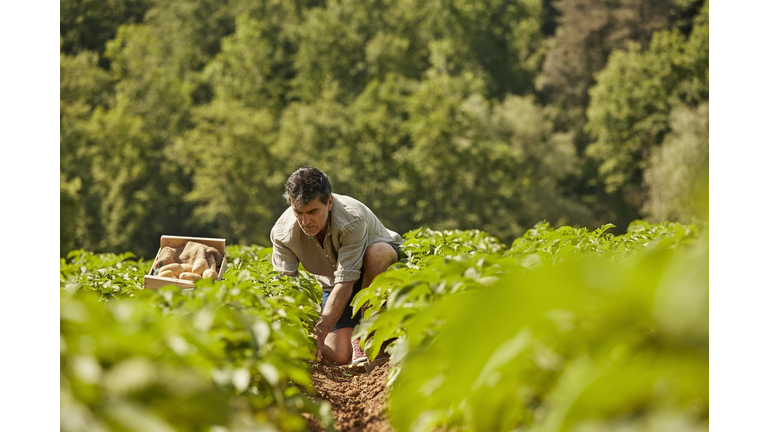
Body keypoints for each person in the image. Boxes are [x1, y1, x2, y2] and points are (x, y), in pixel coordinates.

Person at [270, 167, 403, 365]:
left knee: (378, 253)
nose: (306, 221)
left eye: (313, 212)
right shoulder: (283, 233)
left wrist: (321, 330)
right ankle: (355, 337)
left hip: (374, 273)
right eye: (299, 212)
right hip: (334, 283)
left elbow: (347, 280)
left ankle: (366, 334)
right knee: (338, 355)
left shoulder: (351, 219)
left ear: (329, 202)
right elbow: (285, 286)